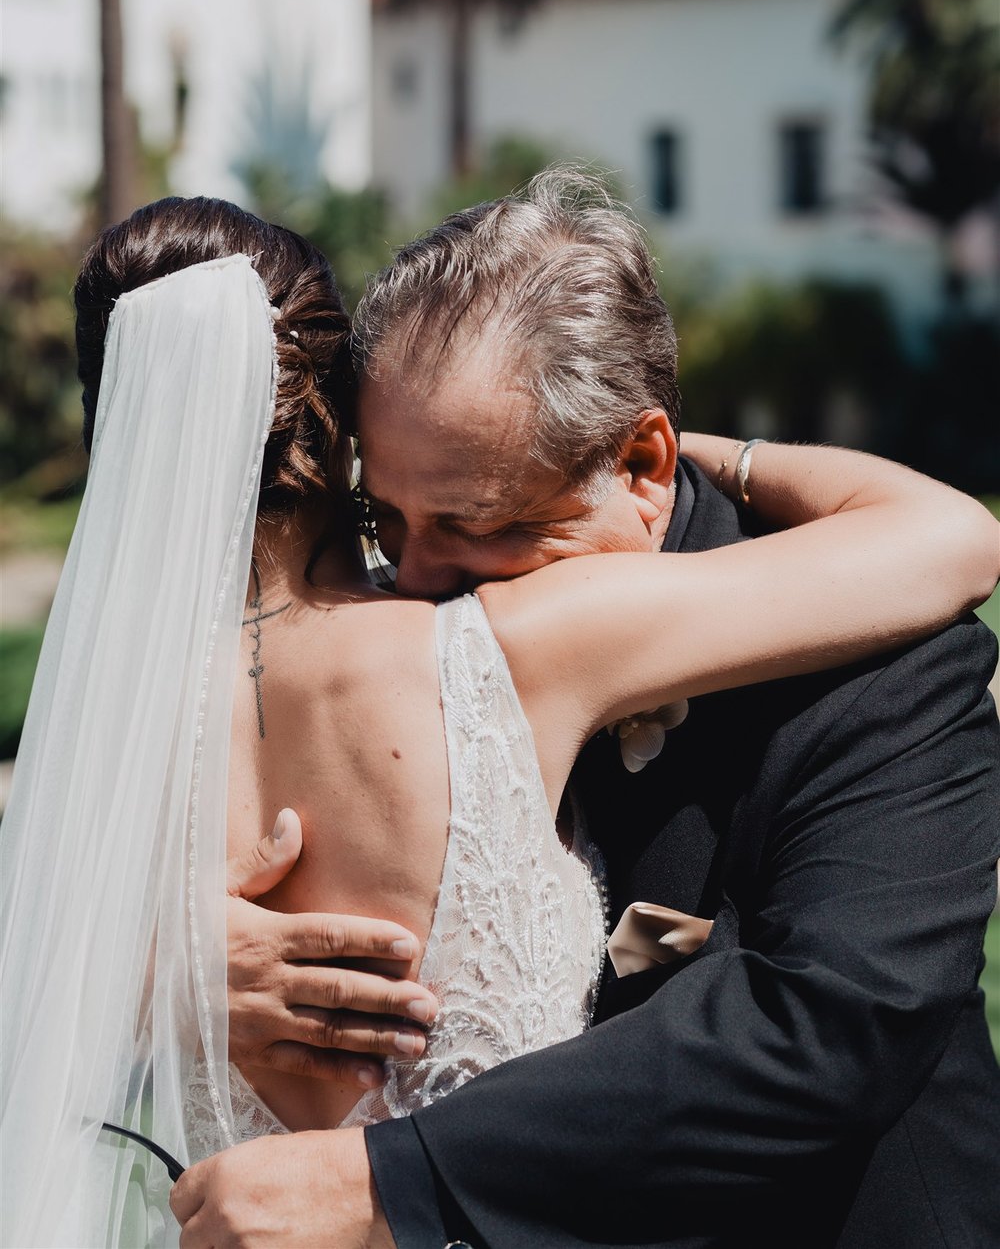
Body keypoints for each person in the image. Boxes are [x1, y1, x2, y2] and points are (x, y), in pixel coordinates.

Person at [0, 195, 994, 1248]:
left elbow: (824, 1029)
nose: (418, 580)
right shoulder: (451, 646)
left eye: (474, 524)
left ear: (646, 468)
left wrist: (388, 1178)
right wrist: (168, 959)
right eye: (385, 517)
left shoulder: (885, 657)